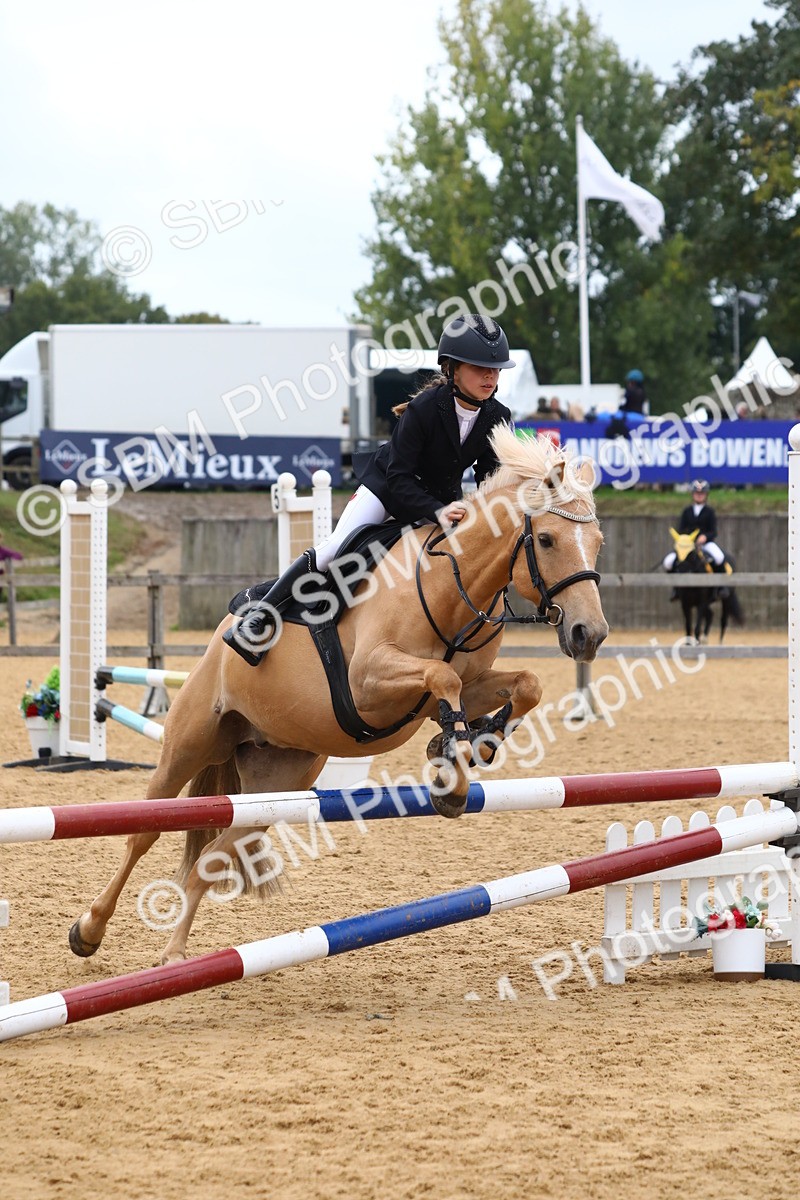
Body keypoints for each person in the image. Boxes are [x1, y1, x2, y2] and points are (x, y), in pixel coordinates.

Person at [224, 313, 516, 665]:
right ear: (452, 369)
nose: (490, 376)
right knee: (335, 549)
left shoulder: (498, 416)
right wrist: (437, 512)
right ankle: (260, 617)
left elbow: (489, 478)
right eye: (480, 368)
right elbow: (398, 477)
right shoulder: (424, 409)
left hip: (440, 500)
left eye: (496, 369)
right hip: (387, 490)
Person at [662, 480, 727, 572]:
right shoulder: (686, 511)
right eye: (697, 493)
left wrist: (705, 537)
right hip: (687, 545)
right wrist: (686, 539)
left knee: (719, 557)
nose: (699, 495)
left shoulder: (710, 511)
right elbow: (681, 529)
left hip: (705, 544)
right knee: (668, 562)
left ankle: (721, 580)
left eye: (702, 493)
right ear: (692, 494)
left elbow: (713, 531)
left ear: (706, 495)